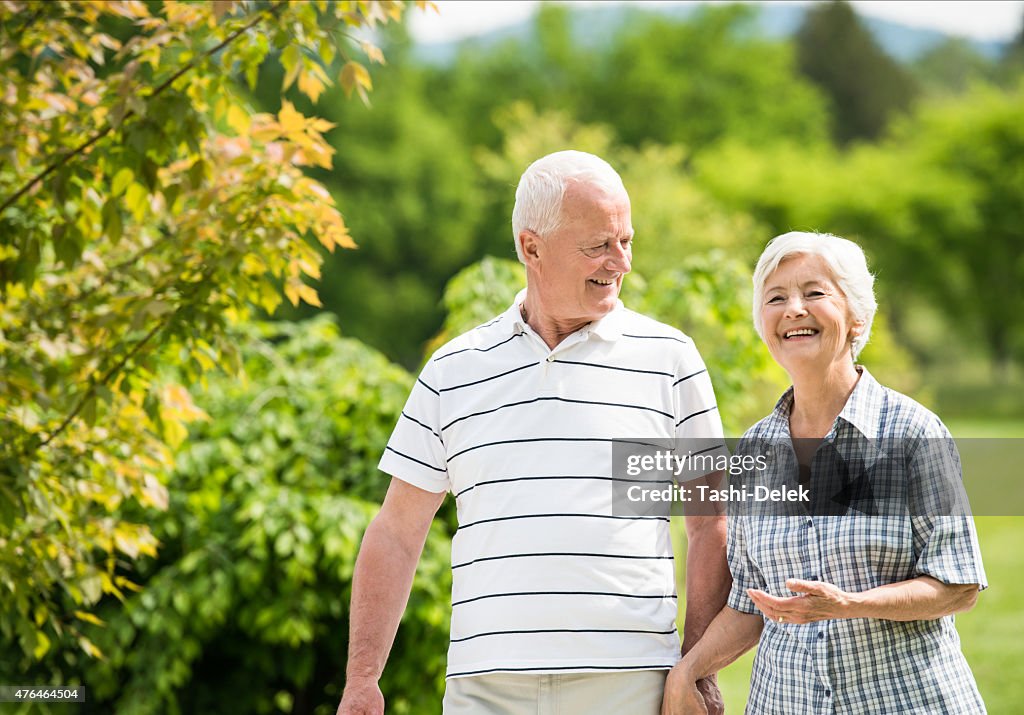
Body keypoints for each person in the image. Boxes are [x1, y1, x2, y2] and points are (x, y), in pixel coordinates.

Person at [337, 151, 731, 715]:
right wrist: (361, 679)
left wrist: (696, 669)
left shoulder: (669, 358)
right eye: (597, 245)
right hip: (485, 688)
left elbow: (709, 521)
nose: (620, 262)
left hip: (629, 681)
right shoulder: (455, 368)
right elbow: (397, 532)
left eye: (626, 240)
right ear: (531, 247)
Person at [664, 231, 987, 714]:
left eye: (814, 293)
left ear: (856, 317)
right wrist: (687, 673)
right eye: (776, 298)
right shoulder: (755, 449)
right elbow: (751, 606)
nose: (793, 308)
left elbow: (957, 585)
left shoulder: (913, 432)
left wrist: (850, 605)